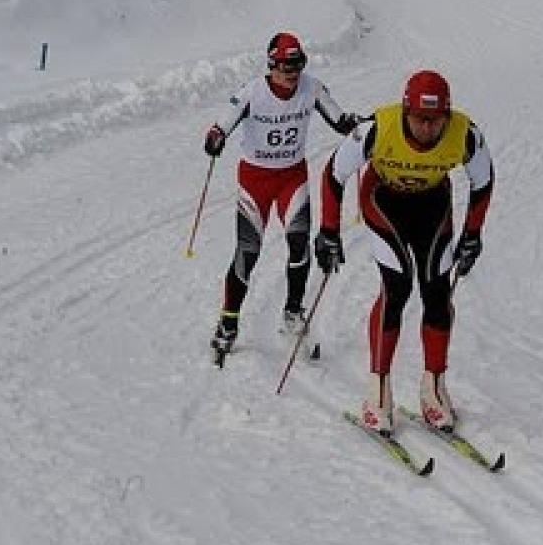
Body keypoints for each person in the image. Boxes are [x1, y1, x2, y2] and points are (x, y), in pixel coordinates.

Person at [314, 69, 493, 435]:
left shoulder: (465, 133)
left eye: (436, 120)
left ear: (447, 114)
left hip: (432, 205)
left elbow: (484, 180)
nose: (428, 128)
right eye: (419, 119)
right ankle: (377, 390)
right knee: (397, 287)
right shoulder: (377, 128)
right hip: (384, 201)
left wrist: (473, 234)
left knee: (437, 292)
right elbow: (334, 174)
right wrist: (328, 230)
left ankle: (434, 387)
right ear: (405, 111)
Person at [203, 32, 358, 359]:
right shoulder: (252, 92)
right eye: (286, 66)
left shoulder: (311, 88)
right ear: (271, 64)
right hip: (256, 179)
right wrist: (215, 137)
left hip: (291, 177)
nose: (293, 72)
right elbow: (222, 125)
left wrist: (356, 125)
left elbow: (339, 119)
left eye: (298, 64)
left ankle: (292, 314)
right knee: (249, 251)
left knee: (299, 243)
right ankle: (228, 322)